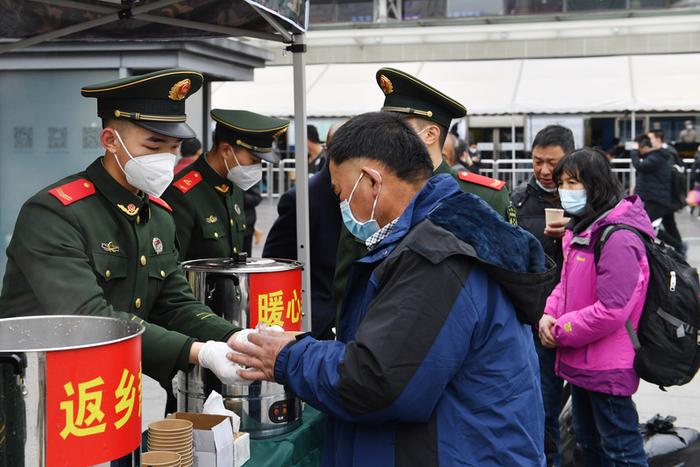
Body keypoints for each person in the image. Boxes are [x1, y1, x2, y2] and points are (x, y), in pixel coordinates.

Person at [231, 112, 546, 467]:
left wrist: (289, 356)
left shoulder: (436, 258)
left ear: (370, 182)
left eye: (340, 193)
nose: (341, 207)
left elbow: (377, 381)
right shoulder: (433, 234)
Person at [0, 69, 248, 394]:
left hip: (110, 381)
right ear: (110, 141)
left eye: (173, 148)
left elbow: (174, 303)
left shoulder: (157, 215)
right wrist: (200, 351)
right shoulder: (55, 212)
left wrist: (234, 336)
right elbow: (88, 317)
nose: (166, 159)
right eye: (153, 145)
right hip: (36, 389)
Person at [332, 67, 517, 314]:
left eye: (399, 127)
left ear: (431, 134)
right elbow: (347, 283)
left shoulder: (484, 196)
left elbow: (507, 282)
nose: (387, 135)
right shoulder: (368, 189)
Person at [539, 147, 651, 467]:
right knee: (589, 446)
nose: (565, 190)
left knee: (621, 451)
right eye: (562, 182)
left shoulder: (617, 236)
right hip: (581, 360)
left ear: (596, 184)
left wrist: (560, 330)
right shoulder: (580, 229)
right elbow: (566, 283)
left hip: (606, 366)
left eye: (574, 182)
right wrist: (549, 314)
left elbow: (613, 310)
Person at [511, 124, 574, 467]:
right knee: (543, 406)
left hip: (583, 320)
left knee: (589, 412)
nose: (545, 171)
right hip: (539, 321)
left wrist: (575, 228)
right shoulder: (518, 199)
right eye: (537, 162)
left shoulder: (585, 199)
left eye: (553, 162)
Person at [162, 109, 289, 261]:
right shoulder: (182, 193)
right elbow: (172, 265)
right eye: (253, 160)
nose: (257, 167)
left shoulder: (234, 184)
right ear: (226, 150)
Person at [263, 122, 345, 339]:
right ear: (330, 151)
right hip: (319, 322)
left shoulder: (369, 189)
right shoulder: (304, 199)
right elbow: (275, 262)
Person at [630, 132, 683, 251]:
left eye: (651, 138)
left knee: (645, 224)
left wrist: (633, 152)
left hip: (657, 198)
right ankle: (680, 248)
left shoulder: (658, 156)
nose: (649, 140)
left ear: (658, 139)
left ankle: (679, 247)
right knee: (670, 225)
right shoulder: (657, 155)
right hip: (658, 196)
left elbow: (640, 166)